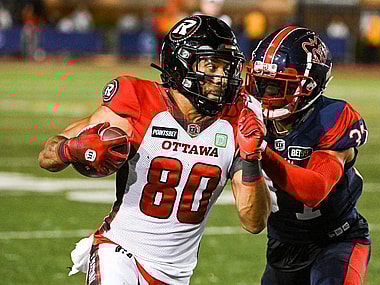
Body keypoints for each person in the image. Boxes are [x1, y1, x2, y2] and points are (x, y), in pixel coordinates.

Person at [38, 15, 271, 285]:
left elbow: (253, 222)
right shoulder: (139, 102)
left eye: (226, 67)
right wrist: (71, 150)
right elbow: (48, 155)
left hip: (176, 274)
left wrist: (252, 158)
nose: (222, 77)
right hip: (119, 251)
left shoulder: (238, 120)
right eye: (212, 65)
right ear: (182, 63)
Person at [243, 26, 371, 284]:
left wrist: (261, 151)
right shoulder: (247, 116)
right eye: (262, 83)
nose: (265, 95)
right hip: (282, 244)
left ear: (310, 85)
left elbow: (315, 190)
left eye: (278, 86)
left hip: (337, 240)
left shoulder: (332, 118)